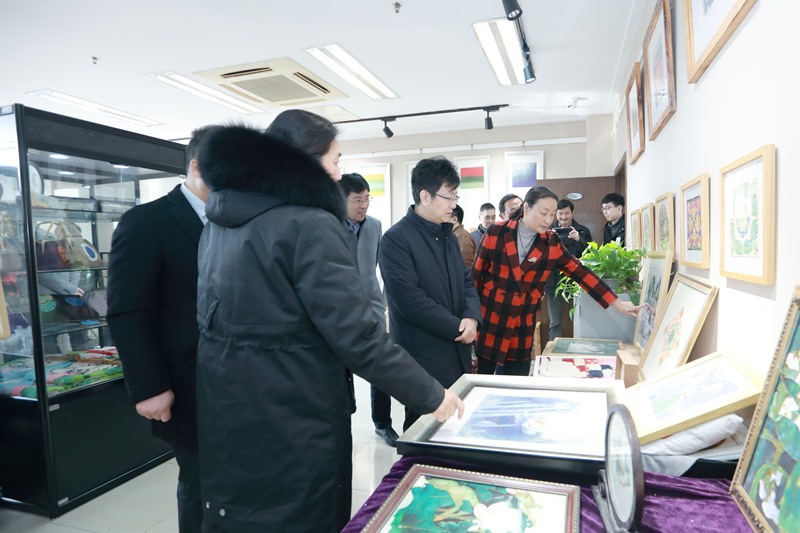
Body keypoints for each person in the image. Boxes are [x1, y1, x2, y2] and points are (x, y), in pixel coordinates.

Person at [194, 123, 463, 533]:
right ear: (302, 160)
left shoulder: (219, 220)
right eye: (335, 160)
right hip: (295, 407)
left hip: (231, 405)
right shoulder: (309, 224)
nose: (338, 173)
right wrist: (431, 394)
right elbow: (357, 334)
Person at [107, 125, 221, 533]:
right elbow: (127, 310)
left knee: (231, 484)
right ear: (196, 167)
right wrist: (149, 387)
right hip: (184, 381)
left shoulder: (234, 222)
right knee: (200, 482)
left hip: (234, 383)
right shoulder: (146, 221)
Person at [473, 186, 642, 376]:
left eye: (552, 214)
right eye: (543, 213)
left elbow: (580, 272)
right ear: (526, 208)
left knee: (515, 384)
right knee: (481, 380)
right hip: (491, 320)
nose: (548, 220)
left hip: (522, 325)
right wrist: (470, 318)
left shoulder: (550, 242)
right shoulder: (496, 232)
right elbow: (475, 277)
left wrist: (616, 302)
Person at [379, 157, 482, 430]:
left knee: (455, 426)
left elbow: (465, 281)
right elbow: (409, 301)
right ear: (425, 196)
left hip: (457, 349)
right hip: (423, 356)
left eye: (456, 197)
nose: (453, 205)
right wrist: (458, 326)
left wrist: (472, 317)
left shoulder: (447, 235)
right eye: (448, 197)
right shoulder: (395, 239)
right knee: (423, 428)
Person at [338, 173, 398, 448]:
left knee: (380, 366)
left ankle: (383, 423)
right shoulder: (328, 225)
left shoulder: (374, 225)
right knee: (340, 372)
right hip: (339, 311)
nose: (364, 205)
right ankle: (340, 424)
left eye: (367, 199)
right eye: (357, 200)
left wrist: (382, 306)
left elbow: (377, 266)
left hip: (371, 307)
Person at [544, 199, 592, 340]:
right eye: (560, 214)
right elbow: (540, 255)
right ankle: (554, 349)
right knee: (555, 322)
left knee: (579, 319)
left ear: (572, 213)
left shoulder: (583, 231)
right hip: (553, 282)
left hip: (575, 282)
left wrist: (579, 239)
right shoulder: (547, 231)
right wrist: (548, 240)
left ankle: (579, 347)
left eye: (567, 213)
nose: (563, 217)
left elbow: (591, 255)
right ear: (555, 214)